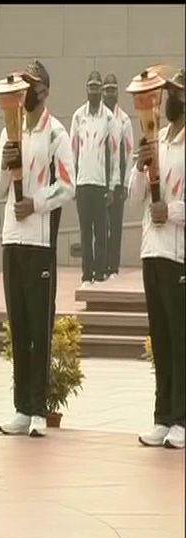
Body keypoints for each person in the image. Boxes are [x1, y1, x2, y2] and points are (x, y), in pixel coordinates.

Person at [0, 60, 76, 438]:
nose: (24, 93)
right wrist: (8, 162)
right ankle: (21, 408)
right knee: (19, 323)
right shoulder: (10, 130)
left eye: (30, 86)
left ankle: (39, 408)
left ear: (43, 90)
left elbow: (68, 186)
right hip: (13, 236)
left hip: (39, 239)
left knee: (39, 326)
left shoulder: (56, 133)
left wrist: (37, 202)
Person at [129, 69, 184, 450]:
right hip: (152, 249)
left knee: (181, 339)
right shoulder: (156, 139)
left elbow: (170, 205)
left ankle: (182, 418)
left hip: (179, 254)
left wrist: (176, 211)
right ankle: (162, 416)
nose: (169, 99)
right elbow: (135, 199)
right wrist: (138, 164)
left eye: (176, 92)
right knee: (161, 339)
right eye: (168, 93)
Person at [70, 71, 120, 288]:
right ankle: (86, 275)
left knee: (101, 231)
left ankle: (100, 274)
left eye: (97, 87)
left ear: (101, 90)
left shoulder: (109, 118)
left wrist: (112, 186)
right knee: (85, 230)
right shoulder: (78, 116)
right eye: (91, 87)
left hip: (100, 183)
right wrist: (72, 183)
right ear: (86, 89)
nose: (94, 91)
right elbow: (72, 152)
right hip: (82, 182)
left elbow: (115, 154)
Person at [102, 73, 135, 279]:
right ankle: (101, 265)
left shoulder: (124, 121)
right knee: (100, 226)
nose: (109, 93)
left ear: (117, 92)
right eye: (107, 90)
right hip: (100, 180)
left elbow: (128, 153)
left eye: (113, 89)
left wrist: (124, 185)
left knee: (115, 226)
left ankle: (113, 267)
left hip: (117, 182)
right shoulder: (95, 118)